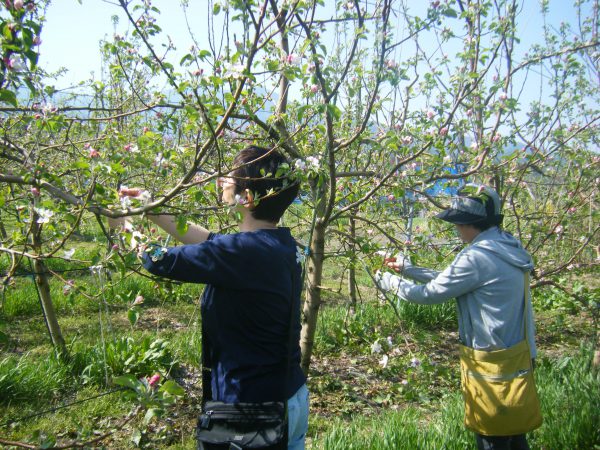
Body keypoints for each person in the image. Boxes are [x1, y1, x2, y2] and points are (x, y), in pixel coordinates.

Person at [133, 145, 309, 449]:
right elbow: (212, 243)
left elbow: (157, 259)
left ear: (249, 198)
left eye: (229, 178)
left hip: (250, 412)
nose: (222, 182)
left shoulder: (241, 253)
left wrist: (127, 226)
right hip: (289, 398)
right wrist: (152, 209)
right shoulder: (283, 246)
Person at [375, 184, 537, 450]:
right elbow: (455, 280)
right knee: (514, 431)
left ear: (468, 223)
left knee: (491, 436)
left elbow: (430, 294)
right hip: (516, 354)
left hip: (491, 360)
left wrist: (388, 282)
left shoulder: (477, 256)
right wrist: (407, 269)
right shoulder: (504, 245)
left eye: (457, 223)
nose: (455, 229)